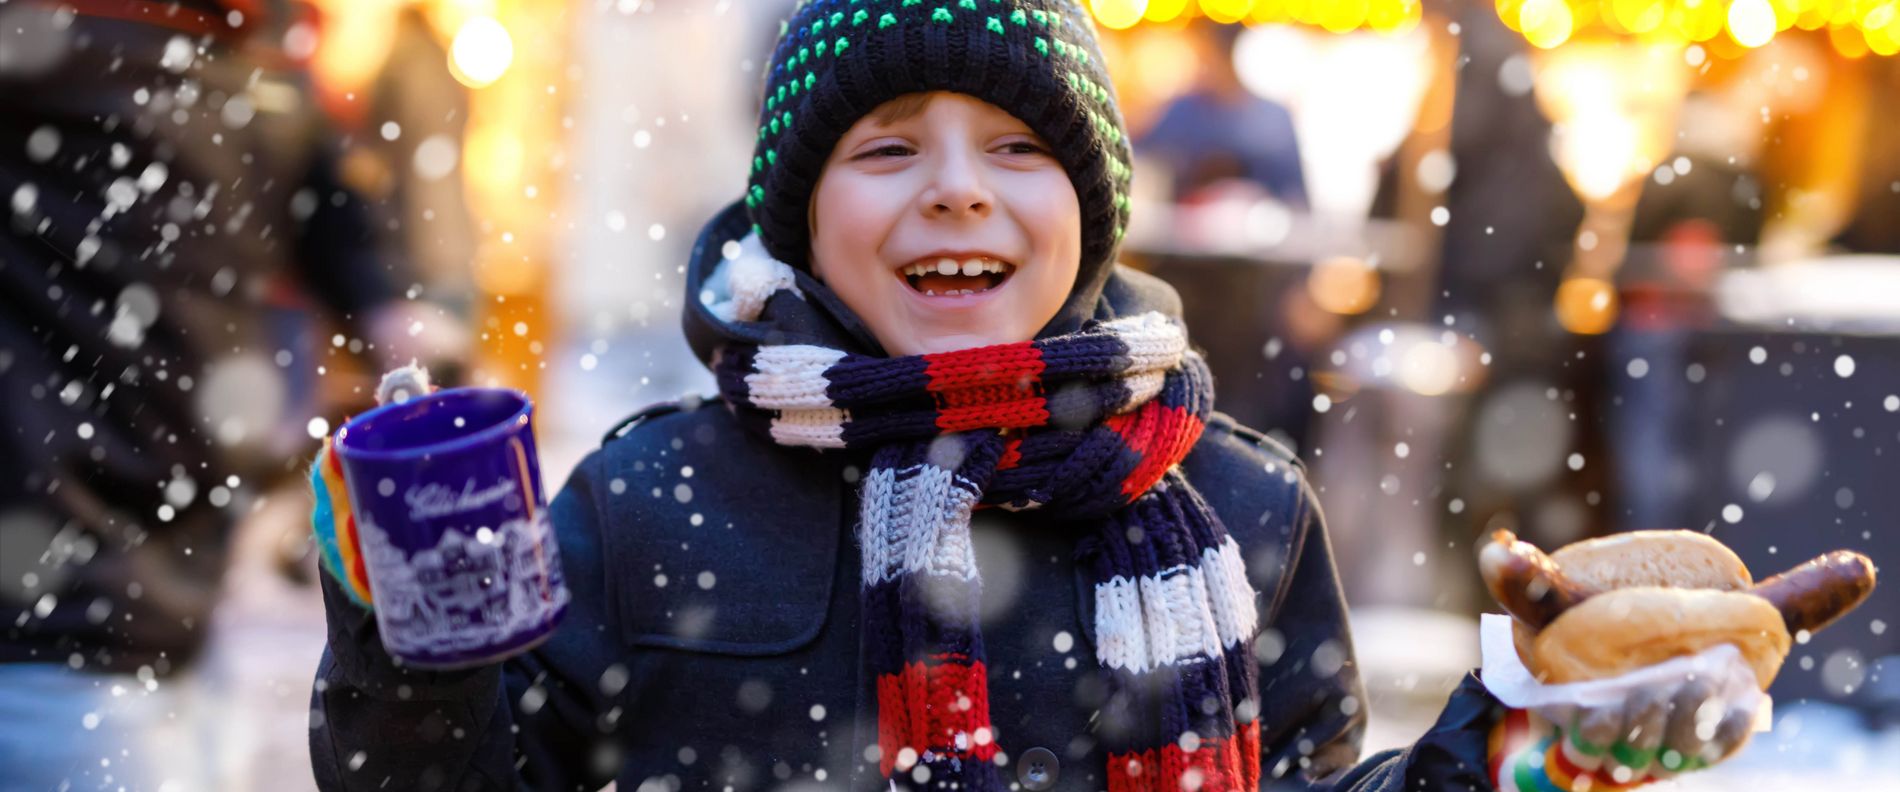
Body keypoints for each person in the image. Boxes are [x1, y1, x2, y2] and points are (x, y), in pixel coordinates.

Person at [307, 3, 1759, 791]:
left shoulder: (1239, 503)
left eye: (1017, 147)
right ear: (802, 218)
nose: (955, 185)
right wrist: (403, 643)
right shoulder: (650, 500)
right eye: (886, 148)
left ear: (1095, 210)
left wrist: (1512, 741)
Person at [0, 0, 462, 787]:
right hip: (57, 626)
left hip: (180, 598)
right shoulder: (42, 55)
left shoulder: (247, 61)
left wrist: (396, 310)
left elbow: (328, 213)